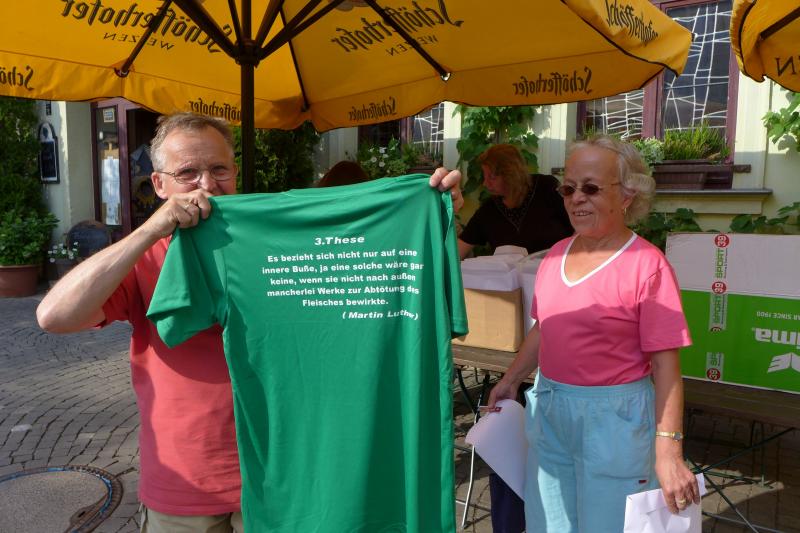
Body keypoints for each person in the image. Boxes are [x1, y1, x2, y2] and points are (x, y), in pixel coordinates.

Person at [36, 112, 464, 533]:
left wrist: (432, 209)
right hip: (184, 490)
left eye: (218, 169)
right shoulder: (145, 256)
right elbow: (54, 316)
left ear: (235, 173)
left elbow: (352, 274)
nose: (206, 184)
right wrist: (149, 231)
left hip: (283, 486)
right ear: (159, 184)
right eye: (187, 173)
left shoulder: (274, 246)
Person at [486, 135, 700, 533]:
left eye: (591, 188)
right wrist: (512, 379)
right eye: (568, 189)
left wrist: (669, 450)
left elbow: (666, 366)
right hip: (551, 410)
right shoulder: (555, 255)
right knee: (547, 524)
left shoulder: (647, 265)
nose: (576, 199)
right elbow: (545, 327)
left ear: (627, 195)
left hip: (614, 420)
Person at [457, 144, 573, 259]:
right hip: (510, 272)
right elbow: (459, 249)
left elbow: (577, 228)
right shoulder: (489, 210)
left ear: (511, 174)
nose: (485, 183)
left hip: (557, 267)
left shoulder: (546, 187)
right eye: (484, 176)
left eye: (491, 177)